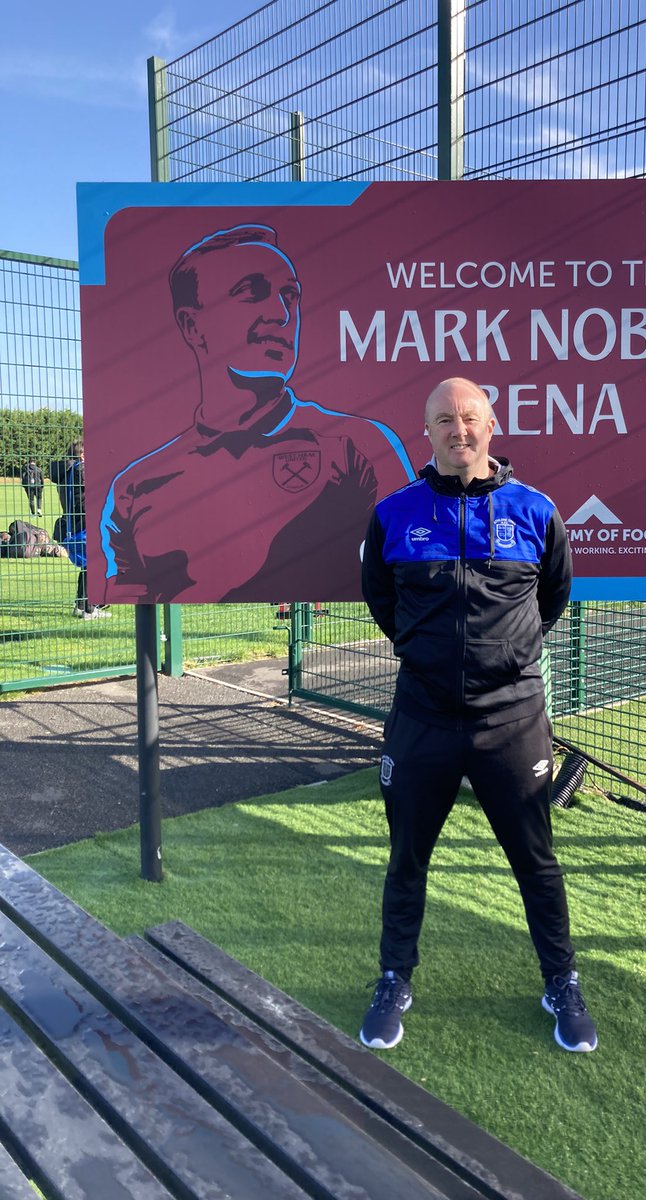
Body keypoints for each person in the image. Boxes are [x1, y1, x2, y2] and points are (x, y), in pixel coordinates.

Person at [359, 376, 597, 1054]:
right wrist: (427, 657)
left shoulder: (534, 510)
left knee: (536, 861)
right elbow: (382, 601)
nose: (458, 431)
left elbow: (551, 599)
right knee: (407, 858)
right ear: (427, 432)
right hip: (422, 719)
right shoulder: (394, 515)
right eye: (443, 421)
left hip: (511, 719)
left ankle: (561, 981)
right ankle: (393, 978)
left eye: (469, 419)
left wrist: (505, 660)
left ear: (491, 427)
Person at [99, 224, 415, 605]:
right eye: (251, 292)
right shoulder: (134, 487)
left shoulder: (359, 446)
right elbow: (125, 592)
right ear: (191, 325)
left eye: (290, 295)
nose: (282, 314)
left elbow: (411, 570)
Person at [60, 440, 109, 619]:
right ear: (81, 455)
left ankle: (82, 605)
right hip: (85, 523)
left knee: (89, 565)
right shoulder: (81, 470)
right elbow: (90, 495)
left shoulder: (69, 471)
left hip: (76, 523)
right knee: (93, 564)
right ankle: (88, 608)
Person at [0, 519, 67, 558]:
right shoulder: (41, 549)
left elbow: (17, 524)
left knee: (16, 524)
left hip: (25, 542)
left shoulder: (44, 535)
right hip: (22, 548)